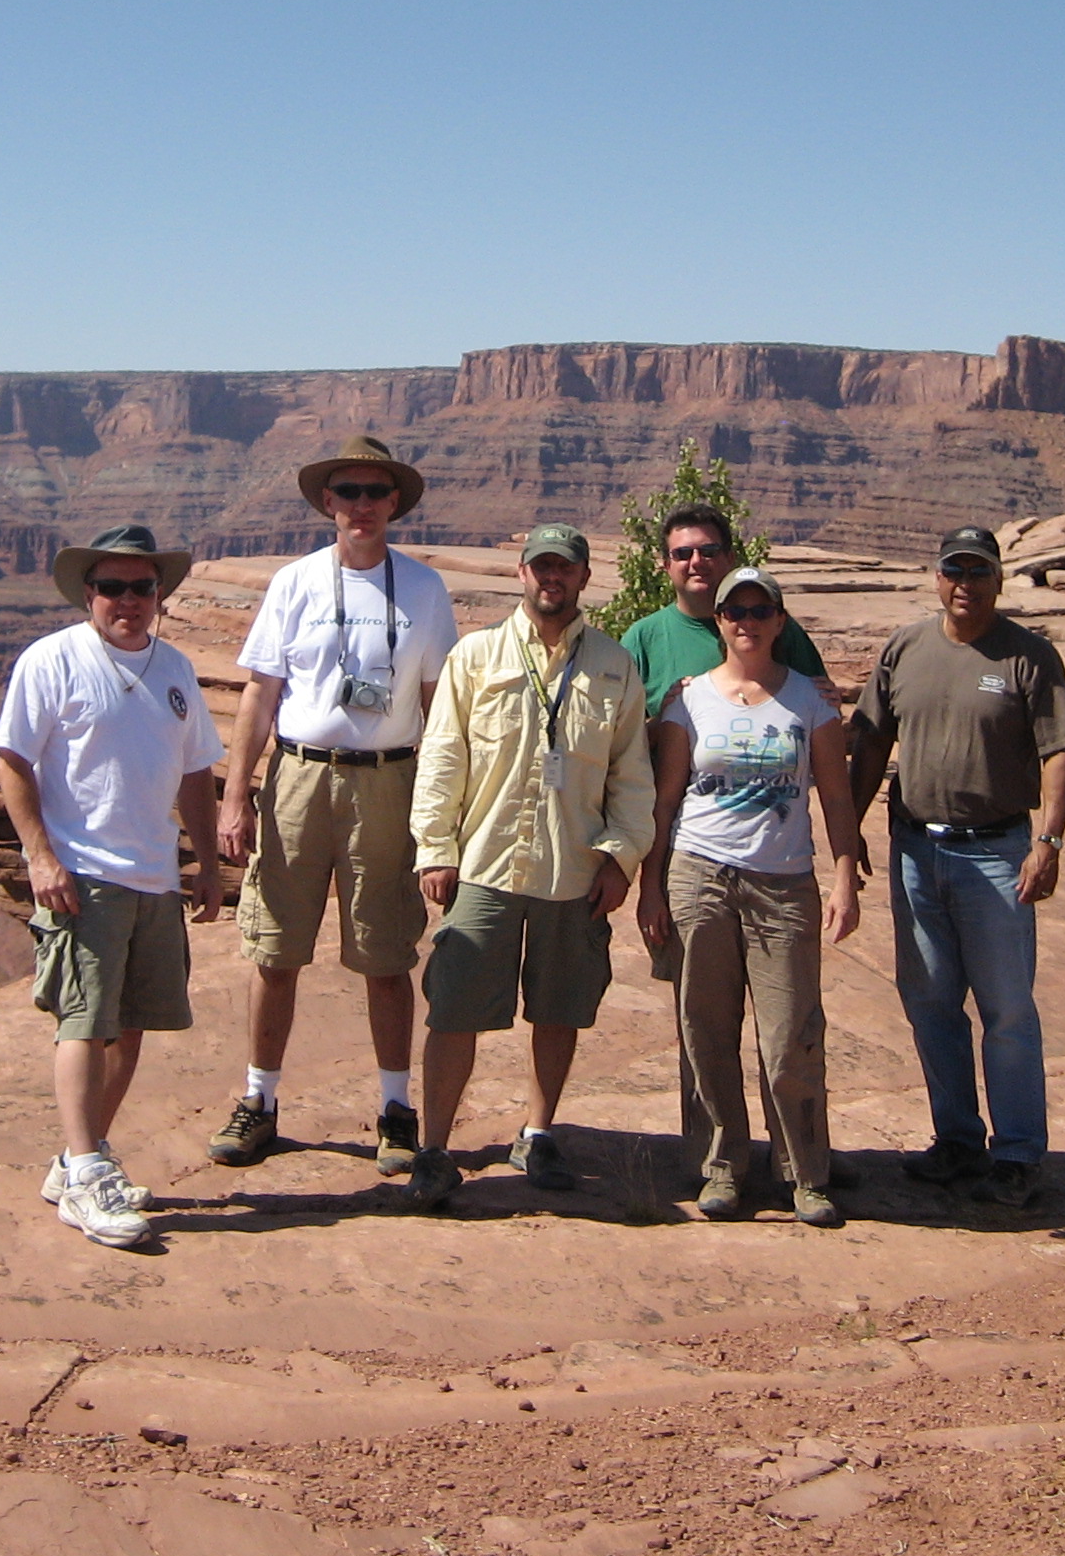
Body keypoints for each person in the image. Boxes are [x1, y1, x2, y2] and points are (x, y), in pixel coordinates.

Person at [211, 436, 460, 1174]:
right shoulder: (294, 583)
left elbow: (438, 706)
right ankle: (259, 1101)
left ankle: (395, 1109)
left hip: (389, 782)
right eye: (348, 492)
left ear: (394, 503)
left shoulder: (424, 589)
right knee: (275, 949)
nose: (362, 505)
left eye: (375, 492)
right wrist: (235, 797)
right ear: (327, 502)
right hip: (298, 777)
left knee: (386, 953)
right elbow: (260, 693)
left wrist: (445, 813)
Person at [406, 524, 655, 1208]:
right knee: (453, 1008)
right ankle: (434, 1148)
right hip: (484, 864)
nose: (553, 577)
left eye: (565, 567)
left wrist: (620, 858)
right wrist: (435, 848)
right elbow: (443, 755)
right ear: (521, 573)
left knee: (559, 1008)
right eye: (541, 565)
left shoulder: (613, 666)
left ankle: (539, 1132)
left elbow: (632, 774)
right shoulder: (476, 655)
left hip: (572, 869)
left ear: (584, 577)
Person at [0, 525, 225, 1248]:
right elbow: (12, 760)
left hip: (153, 874)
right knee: (84, 1021)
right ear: (87, 594)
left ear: (159, 594)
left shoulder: (175, 668)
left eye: (141, 587)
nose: (128, 600)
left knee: (129, 1024)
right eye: (112, 588)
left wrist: (206, 863)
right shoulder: (52, 660)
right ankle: (88, 1174)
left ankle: (78, 1159)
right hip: (83, 874)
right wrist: (41, 857)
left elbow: (195, 771)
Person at [846, 524, 1065, 1209]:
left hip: (997, 854)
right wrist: (849, 829)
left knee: (1006, 1008)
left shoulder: (1028, 656)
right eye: (955, 570)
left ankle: (1017, 1154)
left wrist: (1050, 842)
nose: (965, 584)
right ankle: (956, 1139)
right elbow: (871, 741)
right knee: (930, 1002)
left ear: (999, 580)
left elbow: (1060, 751)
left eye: (979, 572)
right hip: (917, 851)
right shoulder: (906, 648)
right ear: (937, 577)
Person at [640, 566, 863, 1226]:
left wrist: (845, 878)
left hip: (783, 883)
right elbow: (665, 801)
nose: (747, 622)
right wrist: (651, 886)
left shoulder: (810, 703)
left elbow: (837, 798)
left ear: (779, 621)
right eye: (734, 611)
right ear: (719, 622)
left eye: (759, 610)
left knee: (791, 1035)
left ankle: (804, 1173)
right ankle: (721, 1168)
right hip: (700, 876)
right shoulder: (688, 702)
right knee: (705, 1030)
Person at [618, 503, 829, 719]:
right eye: (683, 554)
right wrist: (665, 722)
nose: (696, 562)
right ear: (666, 565)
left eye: (709, 551)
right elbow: (618, 730)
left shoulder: (771, 626)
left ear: (730, 558)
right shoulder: (643, 639)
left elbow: (820, 708)